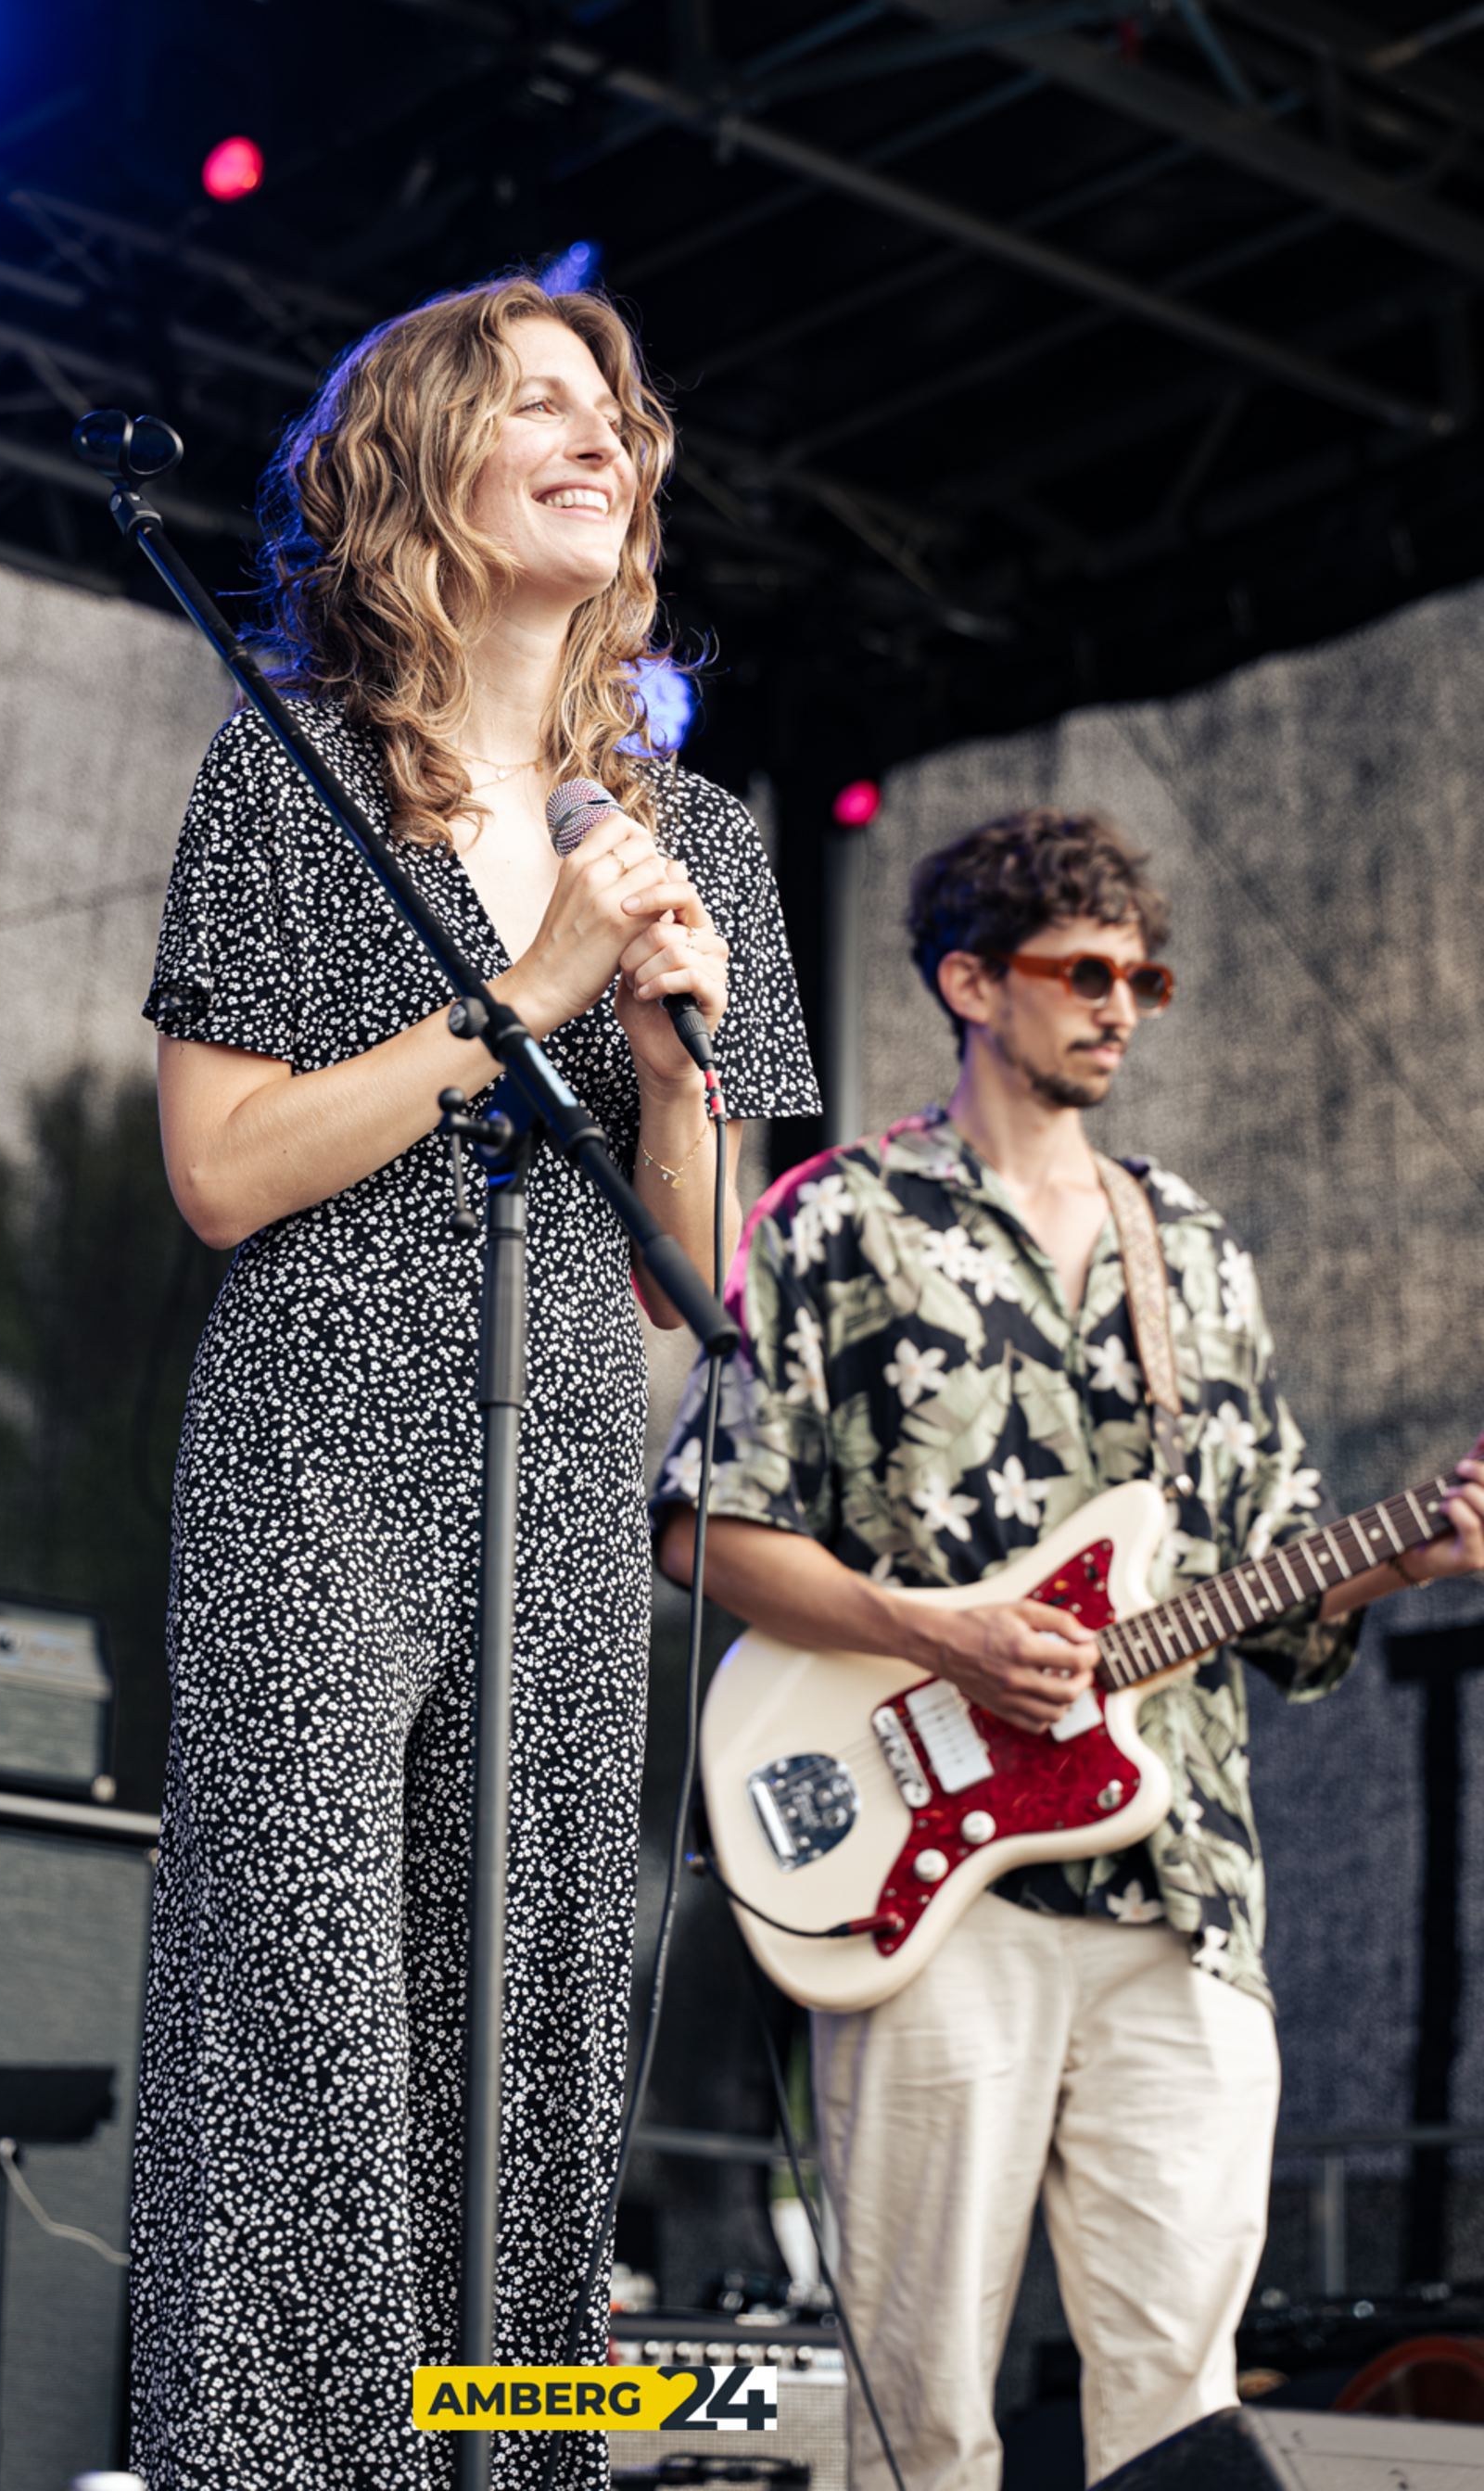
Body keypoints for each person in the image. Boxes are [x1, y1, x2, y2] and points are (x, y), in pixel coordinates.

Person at [128, 274, 818, 2490]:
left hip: (556, 1463)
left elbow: (698, 1289)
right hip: (318, 1449)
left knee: (524, 2040)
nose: (594, 429)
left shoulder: (697, 836)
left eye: (612, 403)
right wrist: (526, 996)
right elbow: (222, 1174)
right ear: (424, 463)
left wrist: (669, 1069)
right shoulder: (300, 768)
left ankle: (492, 2472)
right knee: (303, 2026)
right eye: (533, 399)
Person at [653, 809, 1484, 2491]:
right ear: (970, 981)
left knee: (1179, 2399)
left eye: (1143, 977)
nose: (1122, 1004)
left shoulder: (1196, 1252)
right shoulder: (841, 1220)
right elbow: (701, 1527)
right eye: (1083, 971)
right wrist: (932, 1633)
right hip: (931, 1893)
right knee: (925, 2413)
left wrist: (1414, 1556)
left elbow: (1276, 1576)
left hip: (1180, 1890)